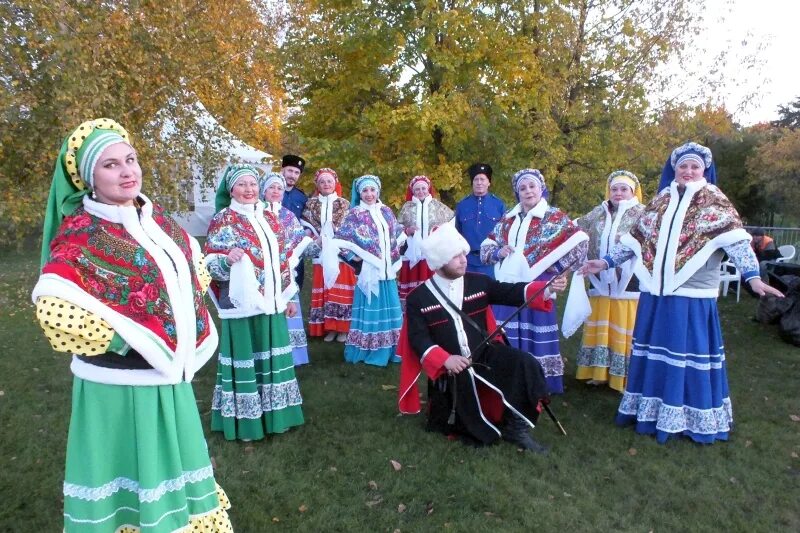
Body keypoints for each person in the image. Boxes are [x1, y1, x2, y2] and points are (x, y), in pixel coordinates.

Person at [32, 118, 232, 531]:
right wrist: (128, 340)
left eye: (131, 159)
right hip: (119, 391)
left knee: (176, 482)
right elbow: (54, 307)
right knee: (130, 486)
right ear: (89, 177)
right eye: (110, 165)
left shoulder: (160, 222)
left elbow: (194, 273)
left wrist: (183, 323)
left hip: (169, 382)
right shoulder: (82, 233)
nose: (127, 171)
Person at [581, 142, 784, 444]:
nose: (688, 172)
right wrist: (607, 261)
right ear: (674, 170)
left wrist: (752, 277)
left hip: (691, 294)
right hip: (655, 294)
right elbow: (636, 238)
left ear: (704, 170)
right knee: (654, 353)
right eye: (683, 167)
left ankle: (689, 416)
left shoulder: (714, 201)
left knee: (687, 354)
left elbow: (737, 242)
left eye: (694, 167)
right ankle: (649, 413)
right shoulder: (661, 200)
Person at [398, 224, 568, 452]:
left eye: (463, 254)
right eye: (454, 256)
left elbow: (511, 292)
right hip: (451, 366)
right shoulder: (418, 298)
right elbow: (418, 339)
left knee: (525, 363)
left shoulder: (479, 282)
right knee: (475, 430)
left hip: (484, 353)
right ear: (439, 262)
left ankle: (515, 427)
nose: (463, 260)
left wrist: (547, 288)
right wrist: (445, 359)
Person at [205, 164, 304, 441]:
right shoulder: (223, 219)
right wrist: (226, 259)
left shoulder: (270, 218)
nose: (249, 190)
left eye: (252, 184)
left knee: (273, 358)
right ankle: (247, 423)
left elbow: (283, 259)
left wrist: (288, 296)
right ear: (231, 189)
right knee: (247, 359)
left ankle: (277, 417)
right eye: (242, 185)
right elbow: (210, 261)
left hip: (272, 304)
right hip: (242, 305)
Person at [480, 169, 588, 394]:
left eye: (532, 186)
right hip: (508, 287)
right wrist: (499, 252)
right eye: (522, 188)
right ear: (517, 193)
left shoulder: (554, 217)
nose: (528, 191)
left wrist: (557, 271)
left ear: (541, 188)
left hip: (539, 285)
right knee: (505, 331)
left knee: (536, 328)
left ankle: (540, 381)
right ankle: (508, 375)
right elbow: (485, 249)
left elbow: (580, 244)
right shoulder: (508, 220)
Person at [573, 170, 645, 392]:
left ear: (633, 192)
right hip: (600, 283)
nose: (618, 193)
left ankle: (624, 377)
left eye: (624, 189)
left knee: (625, 328)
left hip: (629, 284)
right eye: (614, 189)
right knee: (601, 326)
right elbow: (575, 228)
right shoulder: (599, 212)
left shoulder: (643, 214)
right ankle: (599, 372)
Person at [333, 175, 404, 366]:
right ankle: (369, 350)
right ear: (359, 193)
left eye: (372, 190)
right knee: (372, 310)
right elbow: (340, 241)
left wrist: (393, 256)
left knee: (391, 312)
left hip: (387, 273)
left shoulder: (386, 211)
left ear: (378, 191)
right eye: (365, 190)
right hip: (369, 272)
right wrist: (354, 257)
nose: (369, 194)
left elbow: (396, 236)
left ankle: (392, 350)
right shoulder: (355, 214)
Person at [261, 172, 313, 365]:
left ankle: (293, 357)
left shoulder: (288, 216)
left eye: (279, 188)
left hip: (286, 272)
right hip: (265, 274)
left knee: (289, 308)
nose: (276, 191)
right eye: (272, 187)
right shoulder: (257, 213)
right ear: (264, 190)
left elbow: (299, 242)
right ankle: (271, 354)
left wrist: (317, 244)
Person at [301, 168, 356, 342]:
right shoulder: (311, 204)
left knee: (340, 290)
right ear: (317, 185)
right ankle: (328, 327)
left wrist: (335, 230)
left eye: (329, 181)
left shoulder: (344, 204)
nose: (326, 184)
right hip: (321, 252)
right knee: (325, 288)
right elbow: (306, 224)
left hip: (340, 254)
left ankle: (342, 328)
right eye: (322, 182)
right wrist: (313, 235)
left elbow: (351, 227)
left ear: (335, 184)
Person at [397, 175, 454, 309]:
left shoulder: (438, 207)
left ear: (429, 189)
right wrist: (407, 230)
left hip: (433, 255)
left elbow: (450, 227)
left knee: (433, 287)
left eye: (423, 188)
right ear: (413, 191)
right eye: (417, 189)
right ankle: (413, 312)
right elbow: (396, 229)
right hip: (412, 256)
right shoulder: (407, 208)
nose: (421, 191)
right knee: (413, 288)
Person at [454, 163, 506, 278]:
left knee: (492, 295)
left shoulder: (499, 205)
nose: (479, 182)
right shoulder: (462, 205)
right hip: (467, 262)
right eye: (476, 179)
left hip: (492, 263)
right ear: (472, 182)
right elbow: (456, 234)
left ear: (489, 182)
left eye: (482, 179)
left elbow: (504, 234)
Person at [281, 154, 308, 290]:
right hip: (276, 248)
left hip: (295, 251)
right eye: (290, 171)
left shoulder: (302, 197)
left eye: (296, 172)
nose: (293, 175)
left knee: (296, 289)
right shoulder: (268, 192)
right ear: (283, 170)